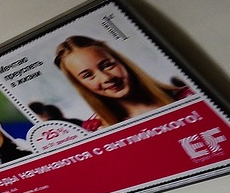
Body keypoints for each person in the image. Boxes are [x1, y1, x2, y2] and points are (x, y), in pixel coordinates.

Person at [53, 35, 191, 128]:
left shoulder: (187, 96)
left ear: (122, 63)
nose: (106, 78)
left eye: (108, 65)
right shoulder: (95, 129)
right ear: (80, 84)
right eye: (88, 75)